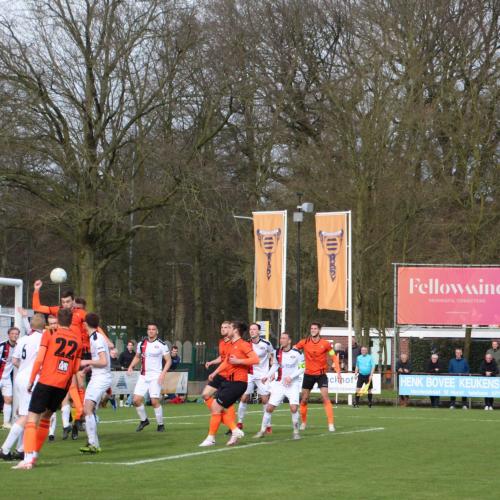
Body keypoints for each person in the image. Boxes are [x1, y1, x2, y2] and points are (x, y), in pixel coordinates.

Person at [12, 308, 82, 469]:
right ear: (71, 321)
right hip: (62, 385)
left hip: (46, 381)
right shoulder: (77, 340)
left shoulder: (50, 333)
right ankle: (34, 456)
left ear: (58, 319)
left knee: (32, 418)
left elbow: (39, 359)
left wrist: (31, 380)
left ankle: (27, 459)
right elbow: (75, 368)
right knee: (46, 418)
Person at [199, 321, 259, 447]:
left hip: (238, 382)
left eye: (230, 327)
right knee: (216, 407)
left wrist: (239, 361)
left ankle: (214, 437)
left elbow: (255, 359)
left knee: (216, 407)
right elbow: (226, 362)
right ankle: (233, 431)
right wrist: (215, 372)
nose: (227, 330)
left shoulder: (243, 344)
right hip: (229, 381)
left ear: (235, 330)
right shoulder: (231, 344)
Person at [0, 313, 44, 460]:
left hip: (20, 377)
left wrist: (24, 368)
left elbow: (14, 360)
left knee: (25, 413)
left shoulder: (23, 339)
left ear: (31, 325)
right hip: (32, 379)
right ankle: (5, 449)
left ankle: (21, 449)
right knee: (28, 415)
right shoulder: (42, 338)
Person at [253, 332, 304, 440]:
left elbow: (302, 368)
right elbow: (275, 365)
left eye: (284, 338)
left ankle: (296, 431)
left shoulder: (298, 353)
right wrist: (267, 376)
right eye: (281, 338)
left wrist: (291, 377)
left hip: (293, 385)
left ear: (289, 341)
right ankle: (262, 431)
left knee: (294, 408)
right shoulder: (277, 352)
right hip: (280, 384)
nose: (281, 340)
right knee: (269, 408)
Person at [294, 322, 342, 432]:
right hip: (308, 374)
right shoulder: (304, 342)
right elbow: (293, 351)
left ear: (319, 330)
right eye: (311, 328)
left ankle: (331, 424)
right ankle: (304, 422)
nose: (313, 330)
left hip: (321, 375)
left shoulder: (325, 344)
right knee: (304, 399)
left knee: (325, 397)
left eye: (315, 328)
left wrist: (338, 371)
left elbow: (334, 357)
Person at [127, 323, 171, 432]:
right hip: (143, 376)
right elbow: (137, 357)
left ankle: (160, 424)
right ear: (147, 331)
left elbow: (168, 360)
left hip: (156, 376)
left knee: (154, 401)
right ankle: (144, 420)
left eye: (153, 329)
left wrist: (163, 374)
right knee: (136, 400)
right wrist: (131, 366)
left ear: (157, 331)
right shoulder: (141, 343)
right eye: (149, 329)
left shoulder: (161, 344)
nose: (151, 331)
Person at [79, 313, 112, 453]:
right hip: (97, 377)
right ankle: (93, 442)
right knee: (88, 409)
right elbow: (100, 360)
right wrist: (87, 369)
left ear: (85, 324)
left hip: (101, 378)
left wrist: (86, 362)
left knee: (88, 408)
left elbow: (103, 361)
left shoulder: (96, 339)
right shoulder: (95, 337)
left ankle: (93, 444)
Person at [237, 323, 274, 432]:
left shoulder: (266, 343)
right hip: (249, 374)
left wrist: (272, 371)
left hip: (262, 375)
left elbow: (273, 355)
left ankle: (268, 425)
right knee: (244, 397)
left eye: (254, 329)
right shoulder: (246, 344)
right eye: (250, 329)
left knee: (265, 399)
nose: (252, 331)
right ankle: (239, 422)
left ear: (259, 331)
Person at [0, 326, 20, 429]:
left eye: (16, 334)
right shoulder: (2, 346)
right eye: (12, 333)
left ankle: (6, 423)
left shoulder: (19, 346)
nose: (14, 335)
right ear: (8, 335)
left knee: (8, 399)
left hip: (7, 377)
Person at [118, 340, 135, 407]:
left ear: (133, 346)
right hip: (123, 372)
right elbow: (119, 362)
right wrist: (121, 367)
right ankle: (121, 401)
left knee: (130, 387)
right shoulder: (123, 353)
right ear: (127, 346)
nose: (130, 346)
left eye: (131, 345)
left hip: (131, 372)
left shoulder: (134, 354)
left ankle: (128, 402)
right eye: (129, 345)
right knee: (123, 387)